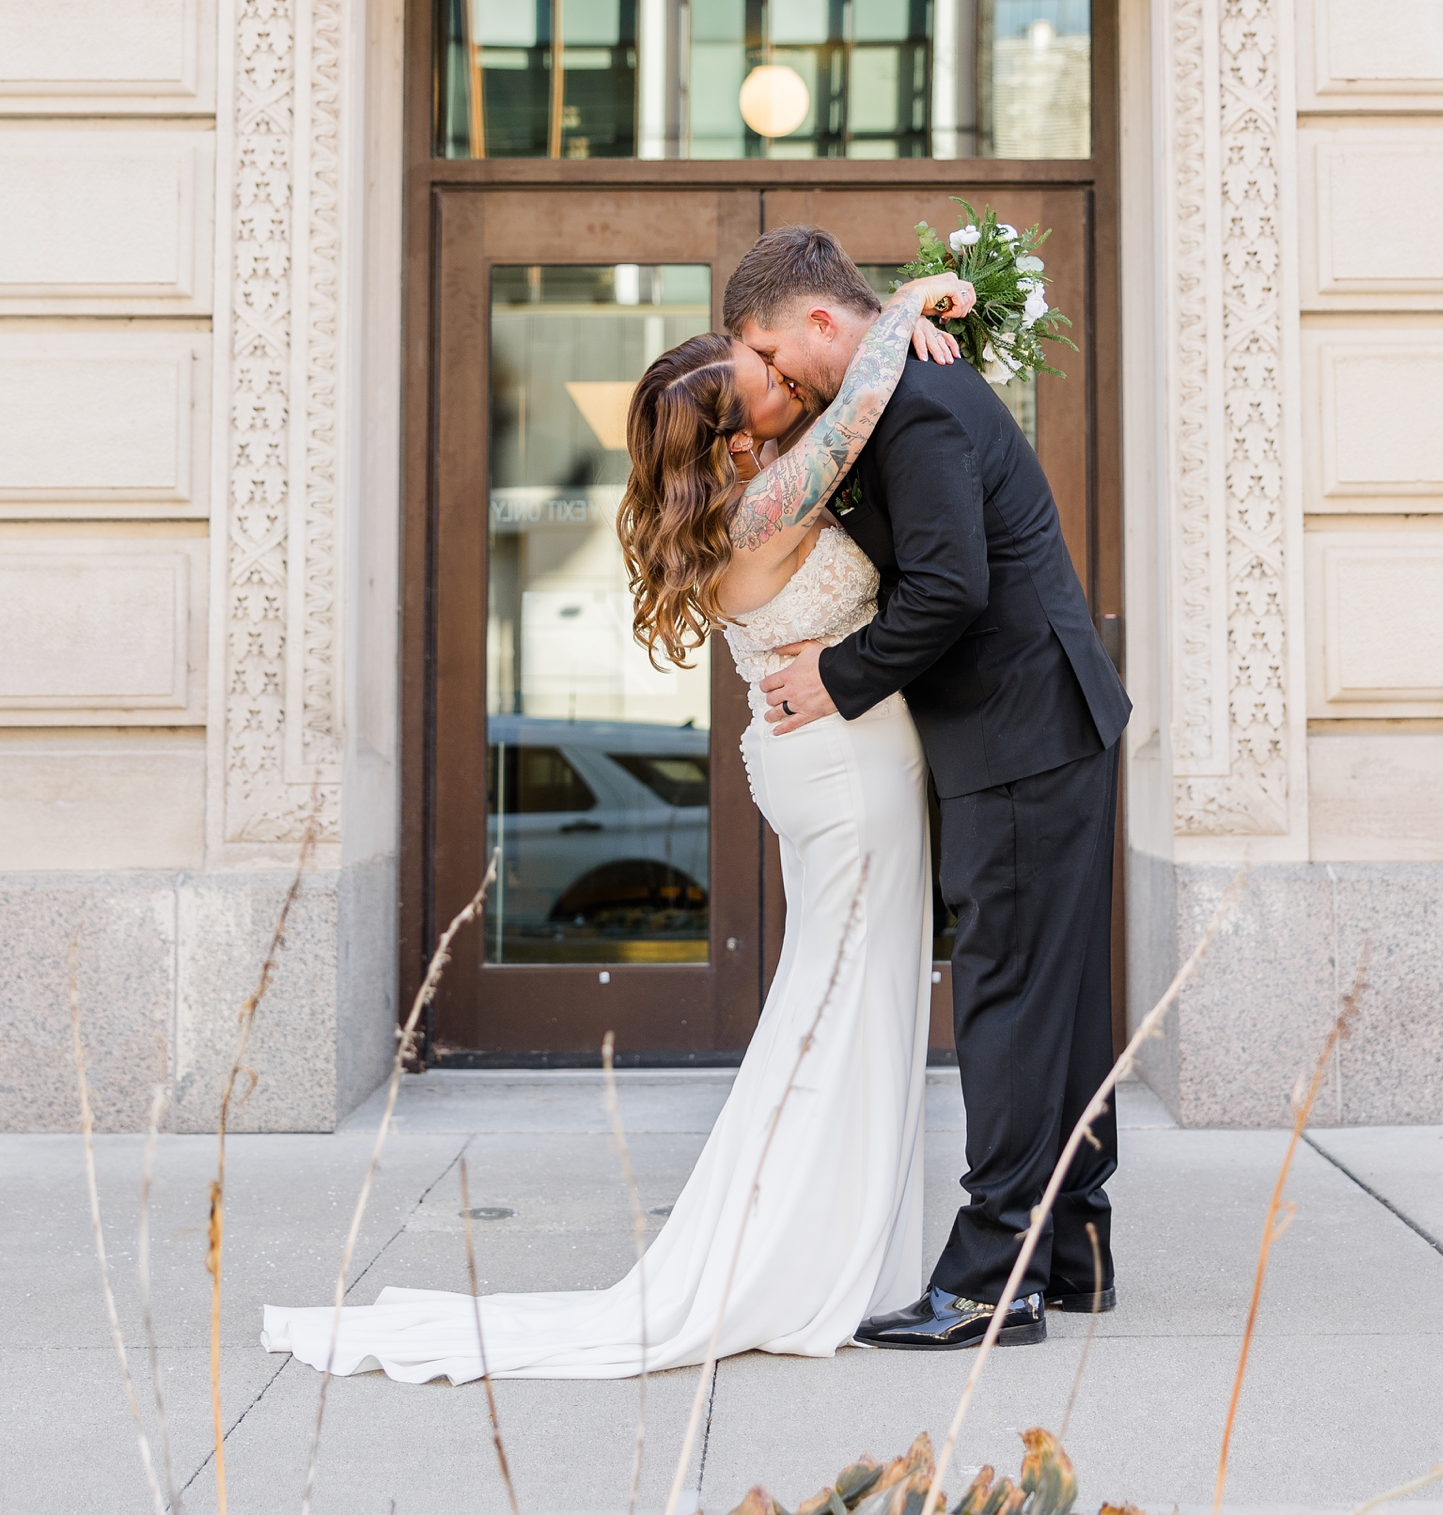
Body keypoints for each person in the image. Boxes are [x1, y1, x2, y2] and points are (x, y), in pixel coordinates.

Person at [261, 259, 972, 1382]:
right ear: (731, 436)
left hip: (830, 764)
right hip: (839, 772)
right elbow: (859, 420)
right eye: (760, 381)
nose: (781, 384)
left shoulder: (744, 494)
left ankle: (850, 1252)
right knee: (845, 1010)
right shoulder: (763, 507)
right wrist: (912, 301)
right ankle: (800, 1261)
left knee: (851, 1005)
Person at [727, 224, 1130, 1350]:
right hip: (1044, 724)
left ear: (816, 322)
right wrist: (907, 312)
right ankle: (1072, 1247)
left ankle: (989, 1278)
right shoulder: (890, 384)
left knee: (1008, 996)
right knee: (1059, 995)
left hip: (1019, 731)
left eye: (766, 352)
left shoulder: (914, 405)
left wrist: (835, 678)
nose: (769, 379)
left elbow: (949, 588)